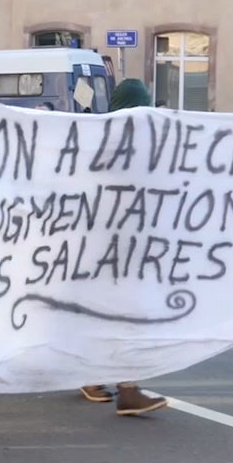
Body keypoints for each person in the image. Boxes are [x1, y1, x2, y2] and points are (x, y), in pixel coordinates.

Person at [75, 78, 168, 416]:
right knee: (124, 318)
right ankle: (127, 389)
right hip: (111, 249)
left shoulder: (120, 143)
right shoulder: (115, 145)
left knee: (110, 317)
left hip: (118, 247)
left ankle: (92, 375)